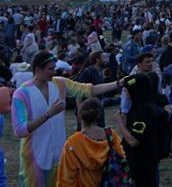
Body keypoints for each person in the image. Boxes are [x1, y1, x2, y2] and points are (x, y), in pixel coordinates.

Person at [12, 51, 122, 187]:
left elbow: (89, 90)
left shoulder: (60, 84)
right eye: (50, 69)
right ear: (38, 70)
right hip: (34, 158)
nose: (54, 72)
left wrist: (118, 84)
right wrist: (49, 114)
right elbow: (20, 130)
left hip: (58, 155)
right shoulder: (22, 94)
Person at [55, 98, 125, 187]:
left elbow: (66, 179)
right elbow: (121, 160)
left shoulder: (73, 143)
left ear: (79, 115)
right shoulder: (111, 136)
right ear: (99, 115)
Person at [117, 73, 163, 187]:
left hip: (142, 164)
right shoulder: (138, 106)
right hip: (137, 161)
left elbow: (133, 141)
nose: (125, 92)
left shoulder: (144, 111)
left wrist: (119, 122)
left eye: (127, 89)